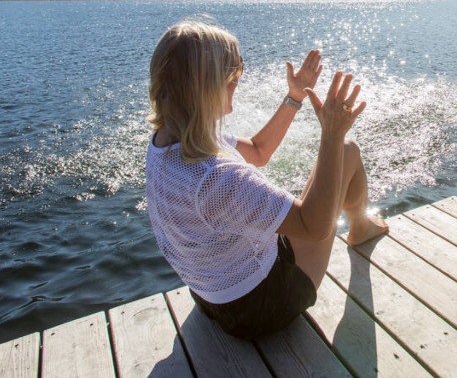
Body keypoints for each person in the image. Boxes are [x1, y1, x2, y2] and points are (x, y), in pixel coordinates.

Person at [145, 19, 388, 340]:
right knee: (346, 150)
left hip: (211, 294)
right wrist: (331, 133)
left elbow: (259, 151)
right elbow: (315, 227)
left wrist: (294, 96)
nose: (239, 78)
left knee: (310, 184)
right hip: (261, 307)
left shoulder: (168, 142)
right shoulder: (214, 177)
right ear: (204, 85)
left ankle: (360, 223)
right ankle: (360, 228)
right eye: (233, 72)